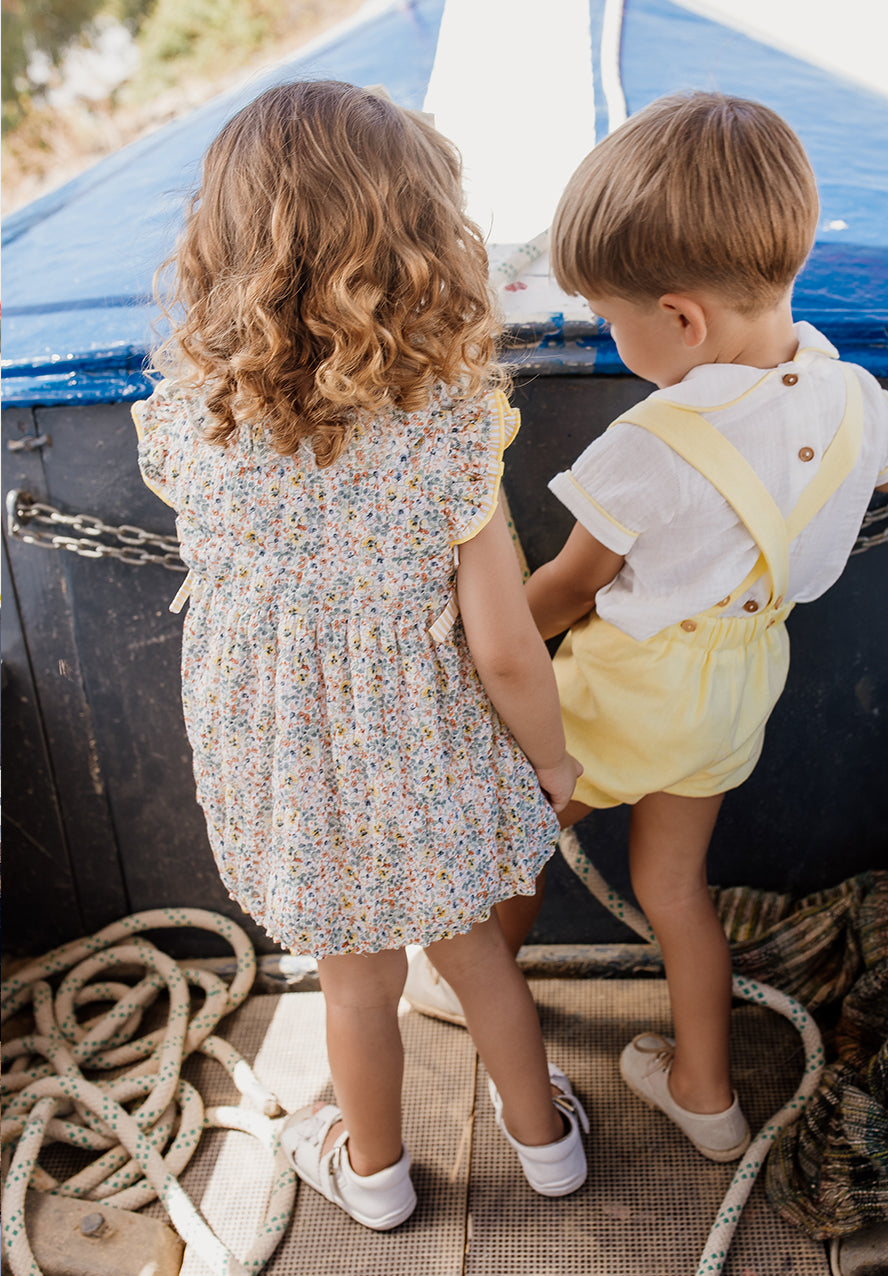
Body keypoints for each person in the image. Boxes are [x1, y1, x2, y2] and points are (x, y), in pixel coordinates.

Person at [406, 90, 888, 1162]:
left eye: (610, 314)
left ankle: (473, 985)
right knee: (673, 887)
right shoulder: (853, 400)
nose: (608, 333)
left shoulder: (647, 444)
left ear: (680, 318)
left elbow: (558, 589)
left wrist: (456, 650)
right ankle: (704, 1089)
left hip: (626, 692)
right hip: (738, 690)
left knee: (511, 844)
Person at [133, 80, 589, 1230]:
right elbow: (503, 647)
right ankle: (547, 1149)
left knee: (353, 976)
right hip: (422, 759)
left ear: (223, 242)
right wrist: (553, 763)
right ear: (425, 244)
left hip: (281, 766)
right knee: (477, 952)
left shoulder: (189, 421)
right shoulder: (445, 425)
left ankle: (374, 1177)